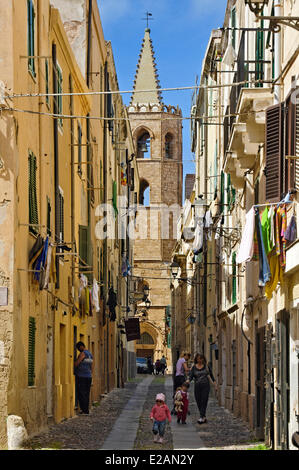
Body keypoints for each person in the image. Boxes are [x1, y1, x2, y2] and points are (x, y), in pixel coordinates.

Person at [188, 353, 217, 424]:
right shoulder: (194, 367)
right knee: (198, 401)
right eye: (198, 359)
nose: (200, 360)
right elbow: (191, 376)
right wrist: (188, 381)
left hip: (205, 386)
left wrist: (215, 384)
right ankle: (203, 417)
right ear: (196, 359)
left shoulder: (206, 366)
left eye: (201, 358)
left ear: (203, 359)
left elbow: (212, 376)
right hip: (197, 387)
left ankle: (201, 417)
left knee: (204, 401)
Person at [74, 341, 94, 415]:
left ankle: (84, 410)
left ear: (81, 346)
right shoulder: (90, 354)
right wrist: (91, 374)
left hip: (82, 376)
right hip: (89, 376)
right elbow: (92, 366)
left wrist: (74, 364)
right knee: (86, 393)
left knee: (81, 393)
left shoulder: (83, 354)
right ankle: (86, 410)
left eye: (78, 348)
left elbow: (77, 363)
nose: (78, 350)